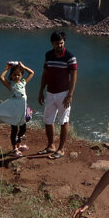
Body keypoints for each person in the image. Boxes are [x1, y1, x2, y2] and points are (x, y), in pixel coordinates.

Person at [37, 31, 77, 159]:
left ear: (64, 42)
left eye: (61, 43)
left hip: (63, 94)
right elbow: (45, 73)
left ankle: (61, 149)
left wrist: (70, 95)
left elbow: (74, 76)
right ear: (52, 43)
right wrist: (41, 91)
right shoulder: (48, 55)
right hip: (50, 92)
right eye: (56, 43)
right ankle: (51, 145)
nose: (59, 46)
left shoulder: (70, 57)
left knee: (63, 121)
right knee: (48, 120)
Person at [0, 61, 35, 156]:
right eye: (14, 75)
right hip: (15, 111)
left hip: (22, 111)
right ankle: (14, 149)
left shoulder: (23, 82)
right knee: (14, 129)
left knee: (23, 129)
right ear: (11, 75)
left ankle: (18, 145)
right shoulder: (11, 84)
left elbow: (32, 73)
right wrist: (7, 68)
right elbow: (1, 78)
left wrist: (23, 66)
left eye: (18, 75)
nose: (16, 77)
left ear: (22, 75)